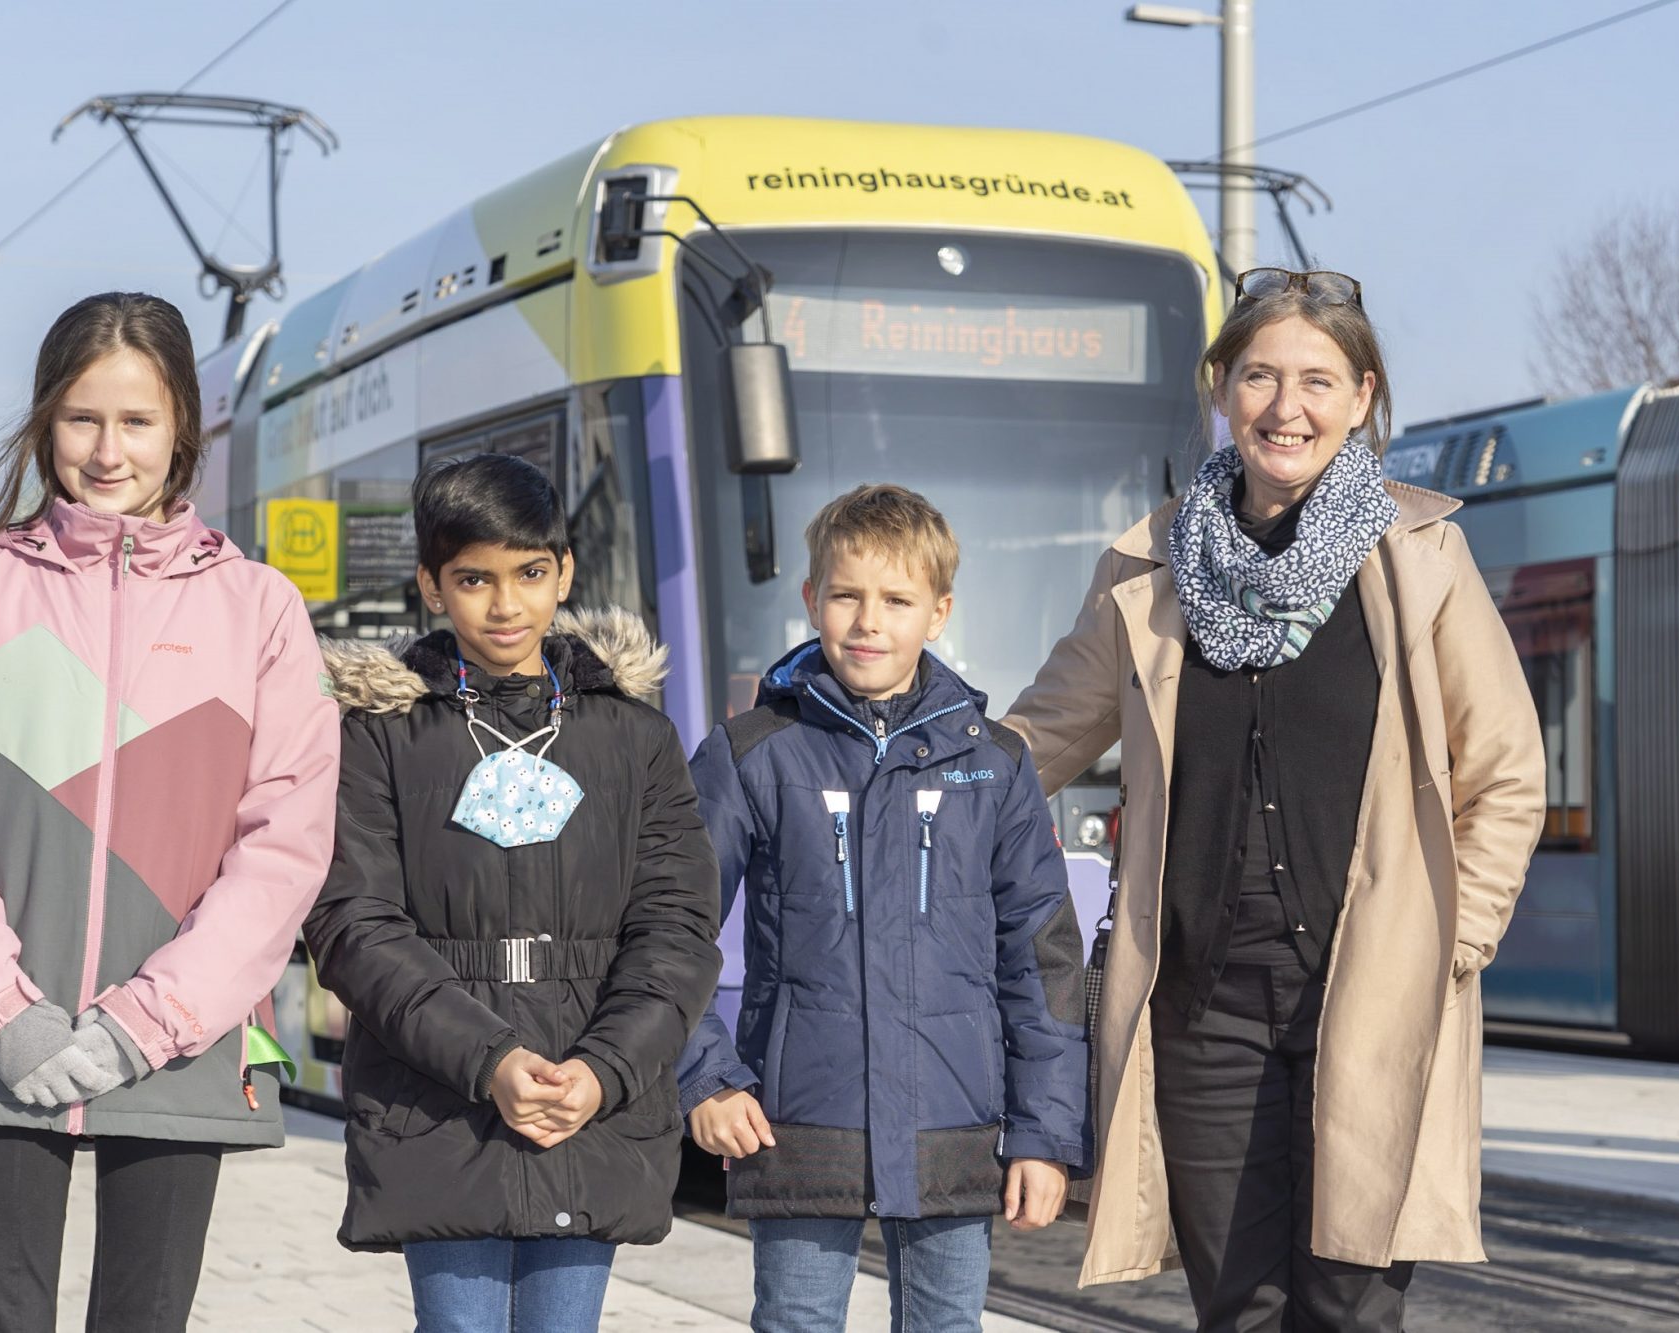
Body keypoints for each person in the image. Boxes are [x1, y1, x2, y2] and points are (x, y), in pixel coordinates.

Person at [1002, 268, 1547, 1329]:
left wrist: (1452, 938)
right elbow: (1032, 744)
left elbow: (1505, 773)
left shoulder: (1420, 557)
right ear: (1220, 386)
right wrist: (891, 749)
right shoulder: (1148, 565)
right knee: (1237, 1308)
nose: (1283, 407)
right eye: (1257, 375)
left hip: (1370, 993)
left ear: (1359, 395)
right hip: (1202, 1007)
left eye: (1313, 380)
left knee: (1348, 1308)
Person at [0, 291, 342, 1333]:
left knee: (146, 1320)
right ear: (44, 423)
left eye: (137, 420)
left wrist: (146, 1021)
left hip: (180, 1040)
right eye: (81, 418)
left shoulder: (259, 608)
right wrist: (2, 1010)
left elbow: (286, 843)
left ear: (184, 431)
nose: (107, 449)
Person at [302, 452, 720, 1333]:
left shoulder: (635, 738)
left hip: (590, 1099)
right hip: (437, 1099)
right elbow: (353, 922)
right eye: (474, 579)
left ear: (564, 571)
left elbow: (677, 927)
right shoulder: (381, 740)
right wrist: (488, 1059)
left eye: (530, 574)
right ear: (430, 583)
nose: (506, 604)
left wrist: (605, 1070)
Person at [675, 483, 1090, 1333]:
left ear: (938, 612)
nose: (869, 620)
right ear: (810, 600)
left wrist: (1046, 1133)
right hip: (793, 1118)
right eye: (847, 595)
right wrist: (705, 1075)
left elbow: (1042, 959)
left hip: (954, 1120)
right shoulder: (753, 752)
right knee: (796, 1319)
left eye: (897, 600)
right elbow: (670, 928)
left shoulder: (996, 762)